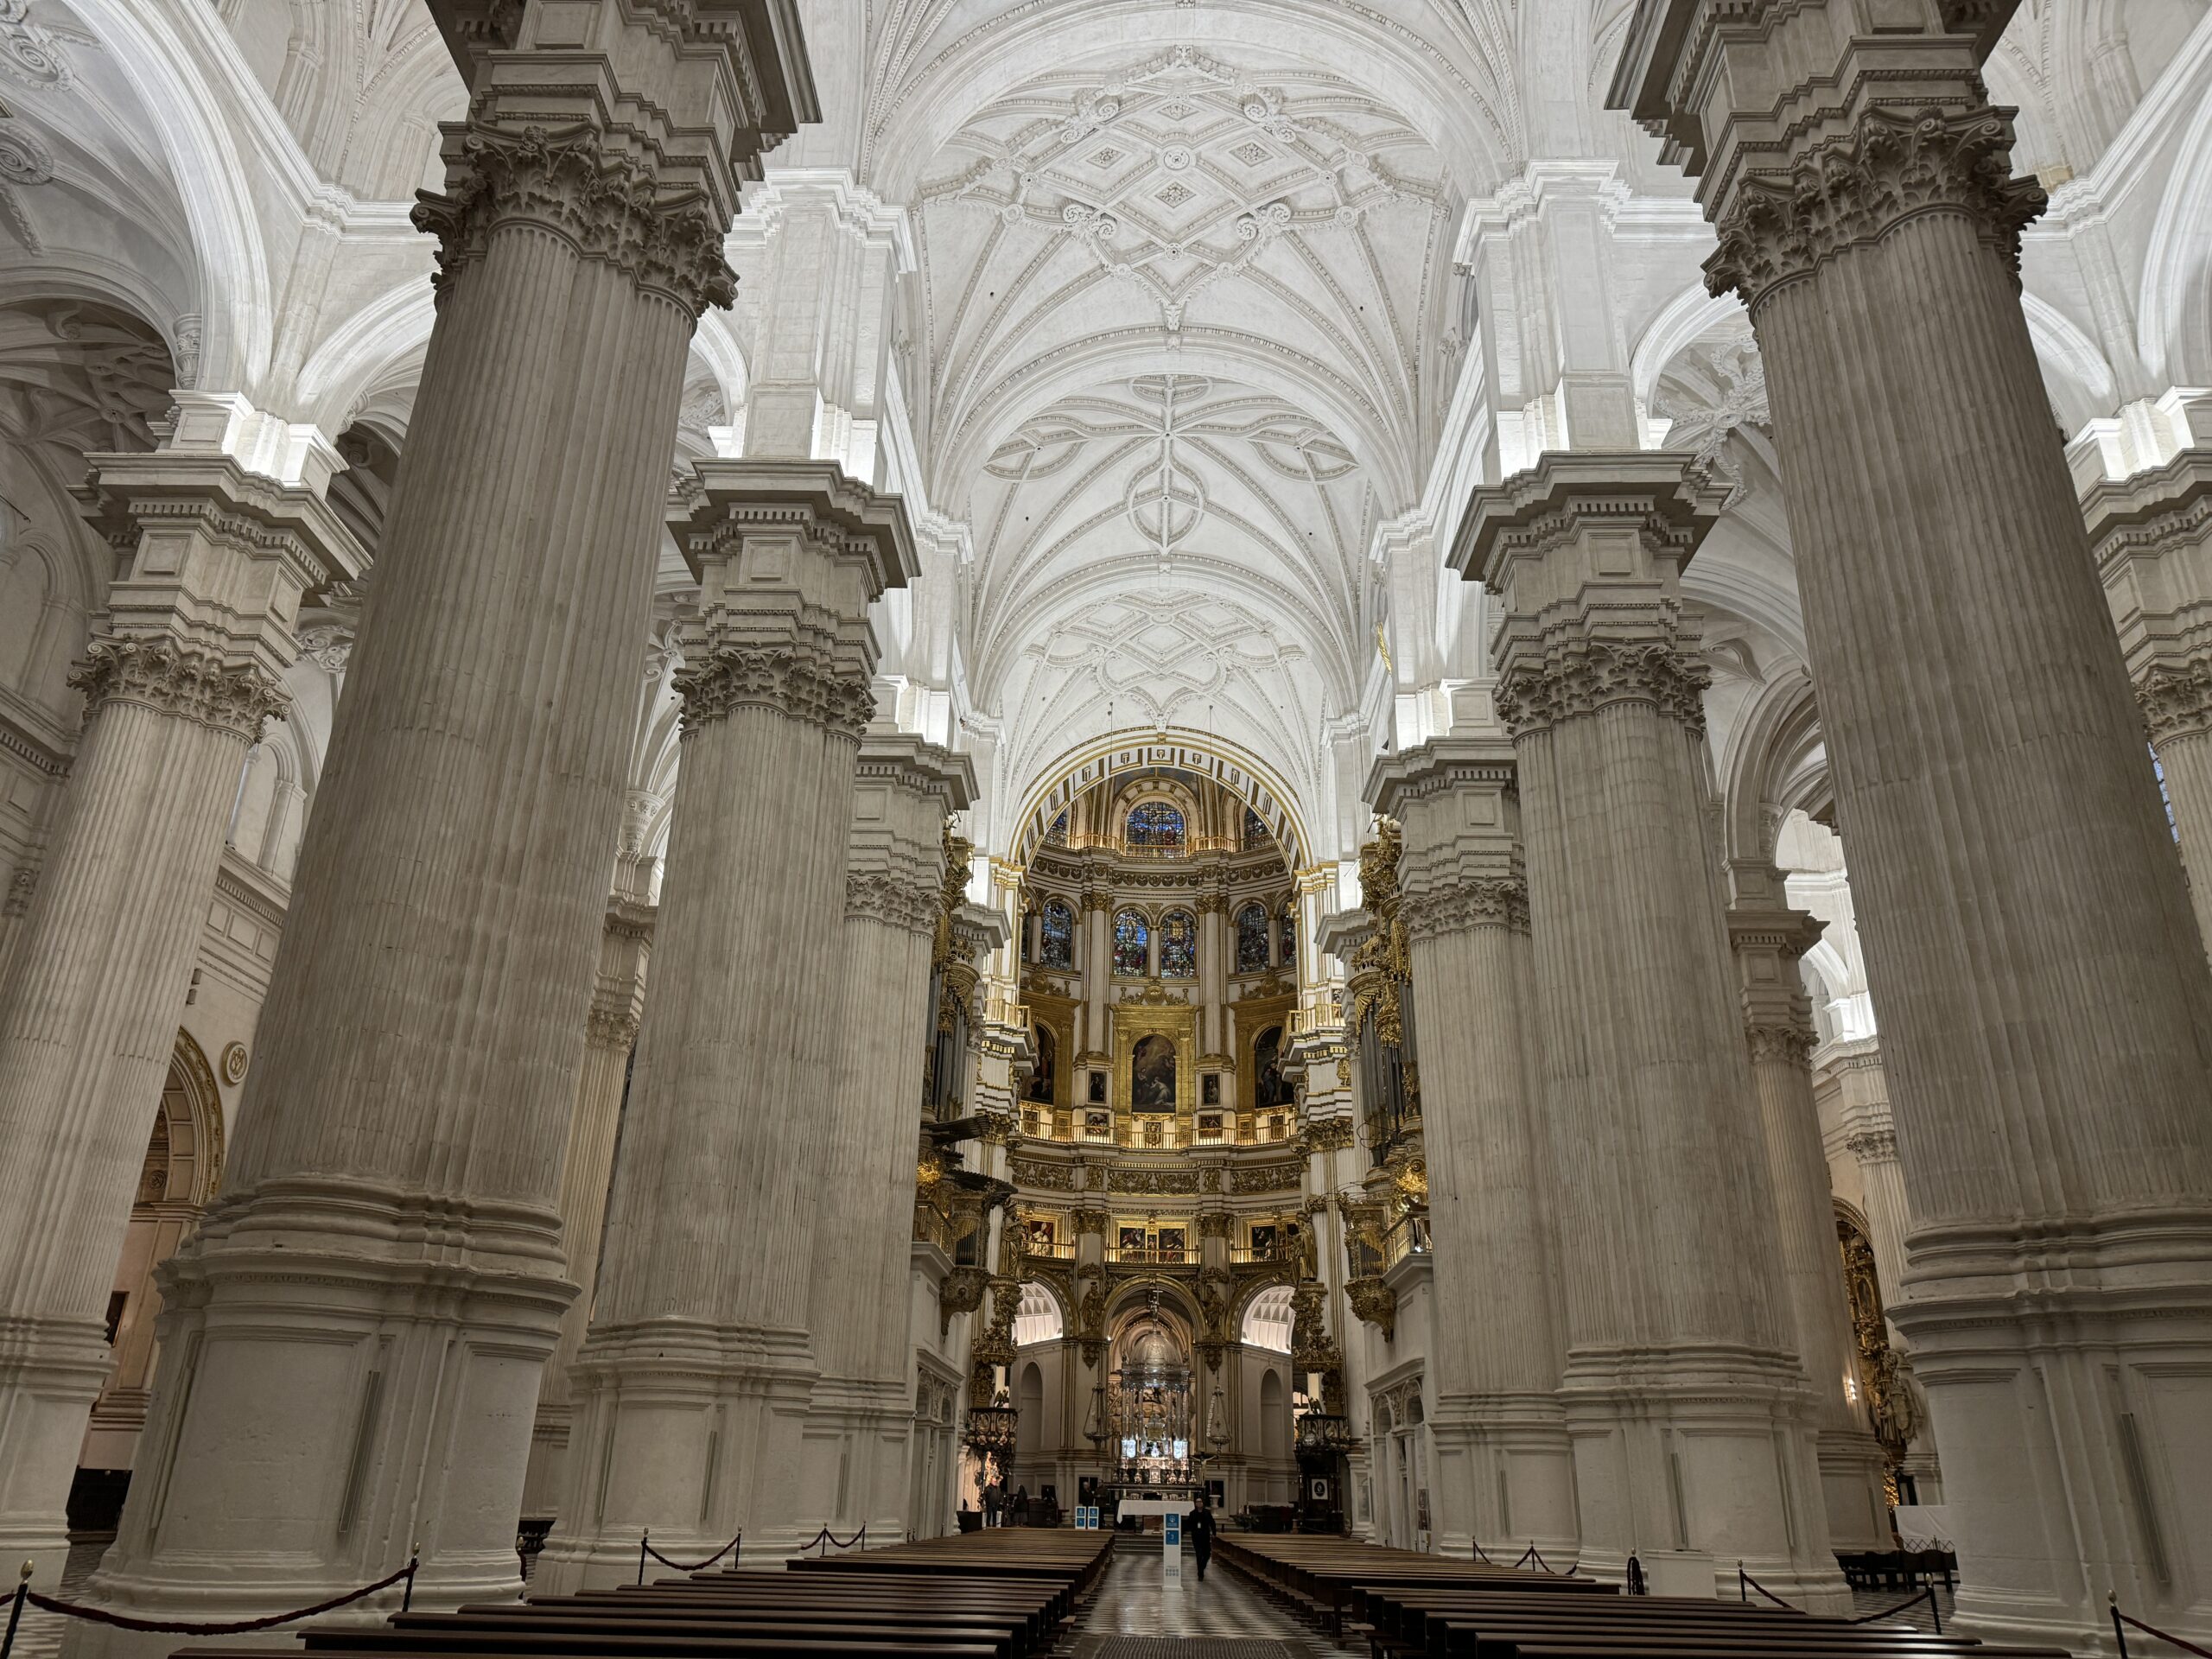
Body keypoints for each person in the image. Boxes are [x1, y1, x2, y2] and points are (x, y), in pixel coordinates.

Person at [1188, 1497, 1215, 1580]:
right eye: (1197, 1502)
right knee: (1199, 1555)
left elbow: (1212, 1523)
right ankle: (1200, 1574)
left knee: (1207, 1553)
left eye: (1200, 1501)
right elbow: (1189, 1524)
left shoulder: (1207, 1512)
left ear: (1203, 1503)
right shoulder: (1192, 1513)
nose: (1199, 1503)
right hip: (1196, 1536)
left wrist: (1214, 1533)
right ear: (1195, 1504)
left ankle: (1202, 1566)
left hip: (1205, 1536)